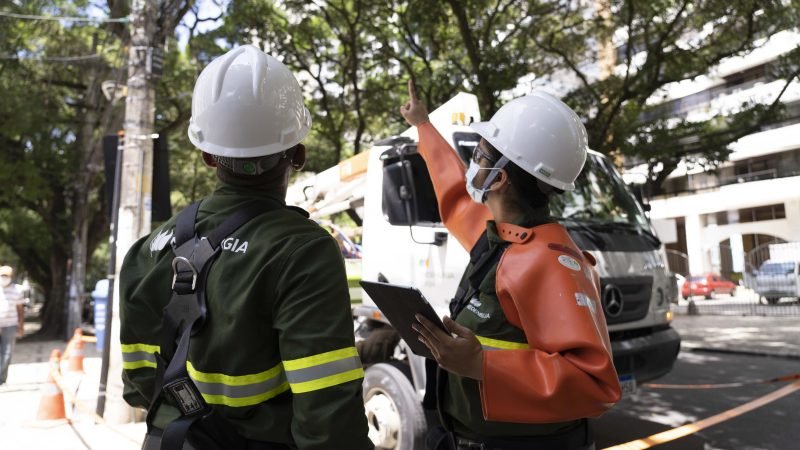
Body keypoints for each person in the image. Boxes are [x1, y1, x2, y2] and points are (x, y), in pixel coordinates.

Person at [119, 45, 373, 450]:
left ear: (206, 156)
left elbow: (138, 388)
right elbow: (328, 418)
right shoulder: (301, 251)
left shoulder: (147, 251)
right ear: (299, 155)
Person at [400, 81, 622, 450]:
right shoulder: (501, 238)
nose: (473, 162)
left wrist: (481, 365)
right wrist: (422, 125)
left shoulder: (549, 262)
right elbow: (455, 195)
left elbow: (595, 385)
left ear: (500, 178)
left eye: (480, 155)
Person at [0, 265, 25, 386]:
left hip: (10, 324)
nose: (4, 278)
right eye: (2, 275)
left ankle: (2, 378)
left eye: (6, 276)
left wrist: (21, 325)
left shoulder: (17, 290)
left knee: (7, 352)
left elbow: (20, 309)